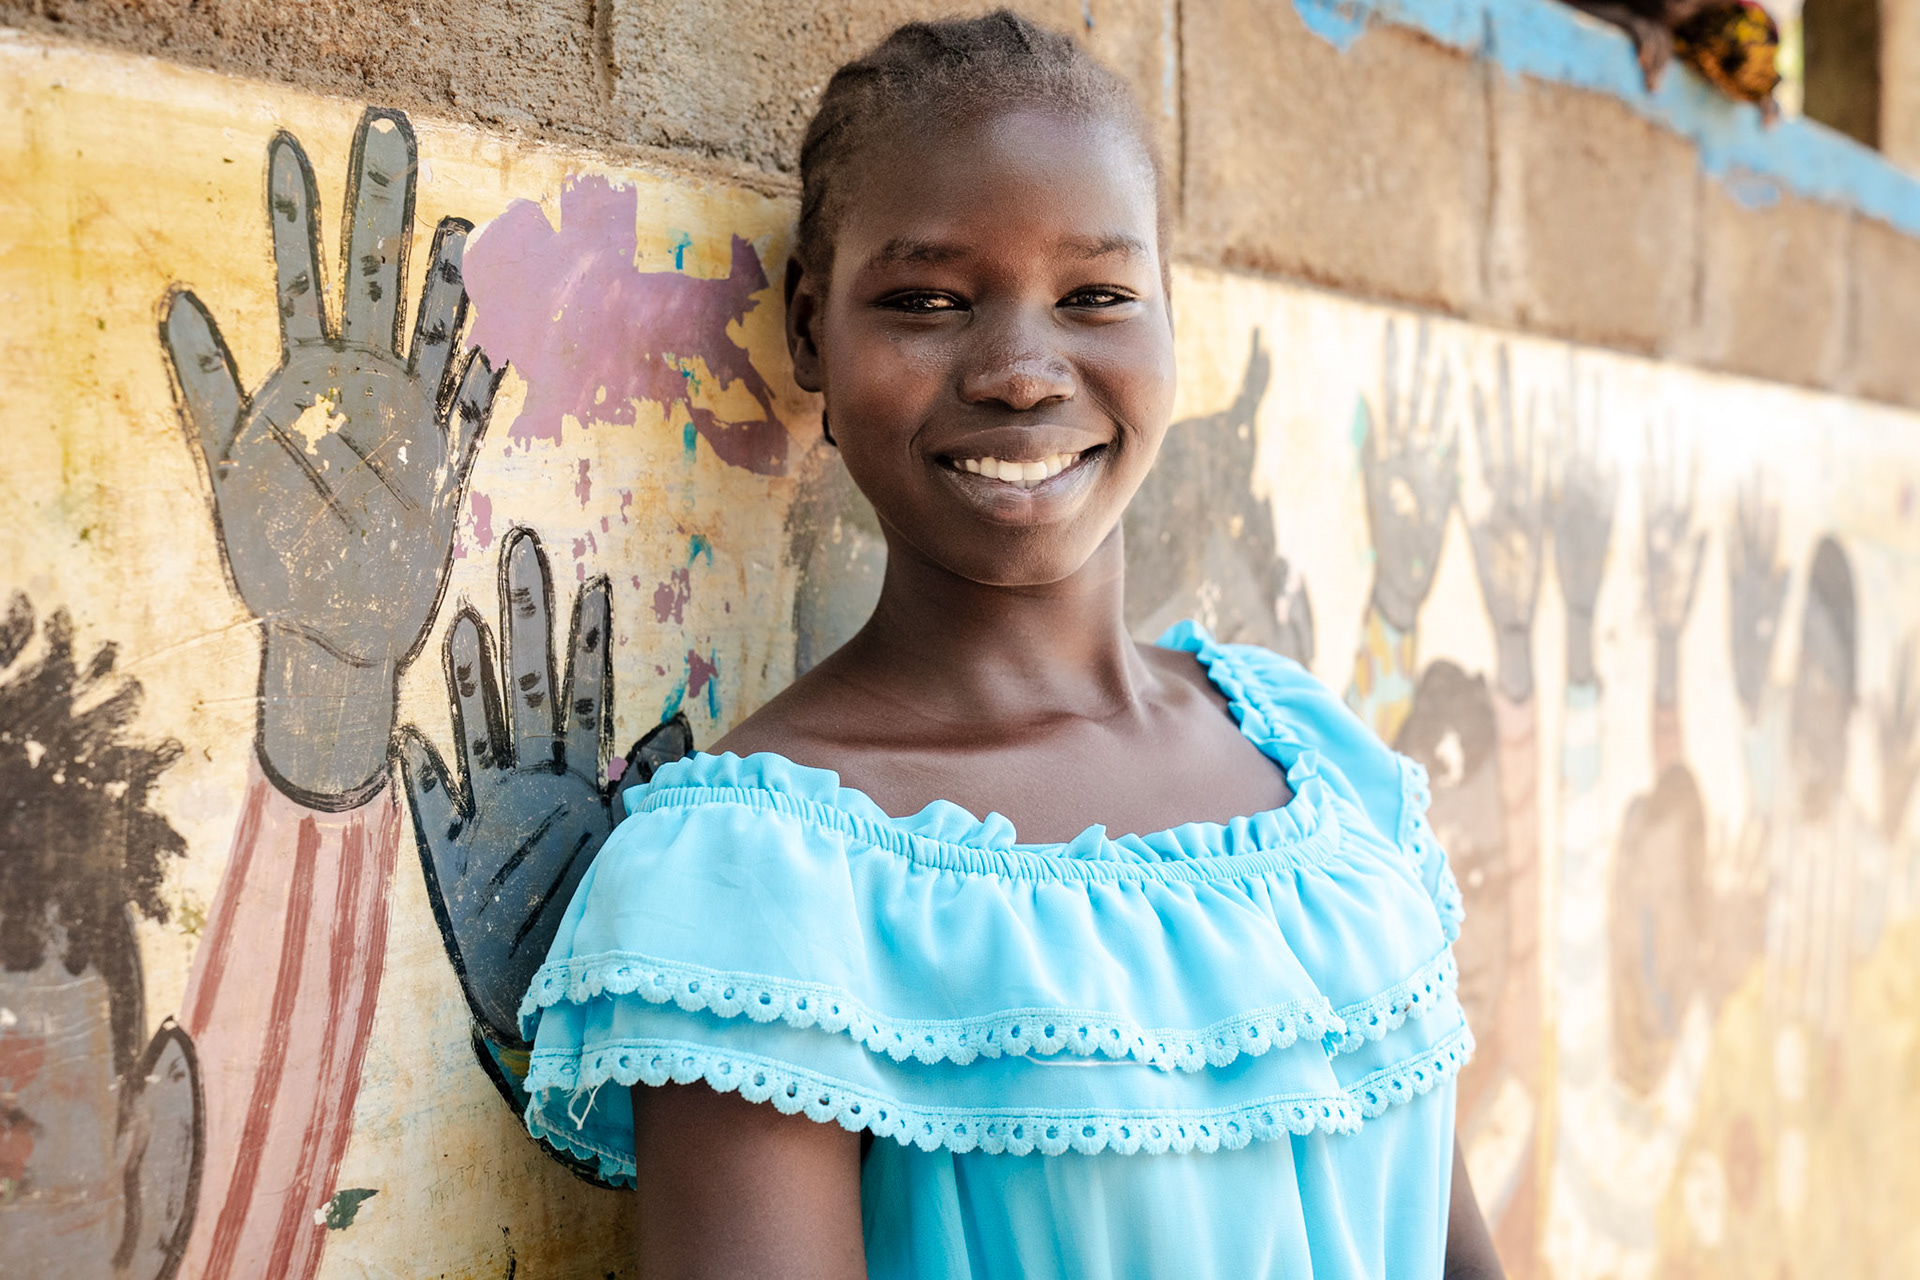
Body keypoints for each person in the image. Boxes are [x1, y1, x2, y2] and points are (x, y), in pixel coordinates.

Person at [516, 13, 1500, 1277]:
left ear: (1165, 317)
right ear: (813, 331)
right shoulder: (761, 883)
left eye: (1097, 295)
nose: (1025, 373)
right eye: (927, 300)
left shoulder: (1324, 771)